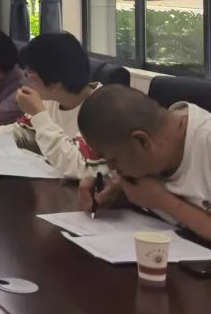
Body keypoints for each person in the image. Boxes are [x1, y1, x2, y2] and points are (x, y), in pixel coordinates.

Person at [0, 32, 105, 181]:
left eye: (29, 75)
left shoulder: (102, 110)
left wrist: (39, 115)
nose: (26, 82)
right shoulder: (52, 98)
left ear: (55, 82)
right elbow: (23, 132)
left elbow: (80, 167)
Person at [76, 85, 211, 240]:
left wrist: (163, 201)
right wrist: (115, 193)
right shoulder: (151, 150)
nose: (112, 168)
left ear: (142, 141)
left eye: (114, 160)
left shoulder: (206, 142)